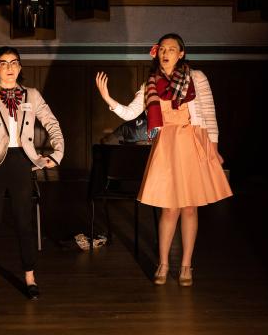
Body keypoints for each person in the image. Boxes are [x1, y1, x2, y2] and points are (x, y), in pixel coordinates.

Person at [95, 33, 232, 286]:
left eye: (172, 49)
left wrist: (213, 148)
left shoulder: (196, 78)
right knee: (169, 209)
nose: (166, 53)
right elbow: (130, 112)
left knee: (190, 207)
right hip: (167, 146)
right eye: (163, 49)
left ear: (181, 54)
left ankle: (186, 265)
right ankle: (163, 263)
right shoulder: (150, 85)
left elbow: (210, 116)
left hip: (193, 143)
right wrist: (108, 99)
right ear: (157, 53)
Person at [0, 46, 64, 301]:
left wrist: (56, 153)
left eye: (14, 62)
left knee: (23, 224)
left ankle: (30, 278)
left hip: (22, 162)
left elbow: (51, 122)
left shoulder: (32, 95)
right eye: (3, 63)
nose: (9, 67)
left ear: (20, 67)